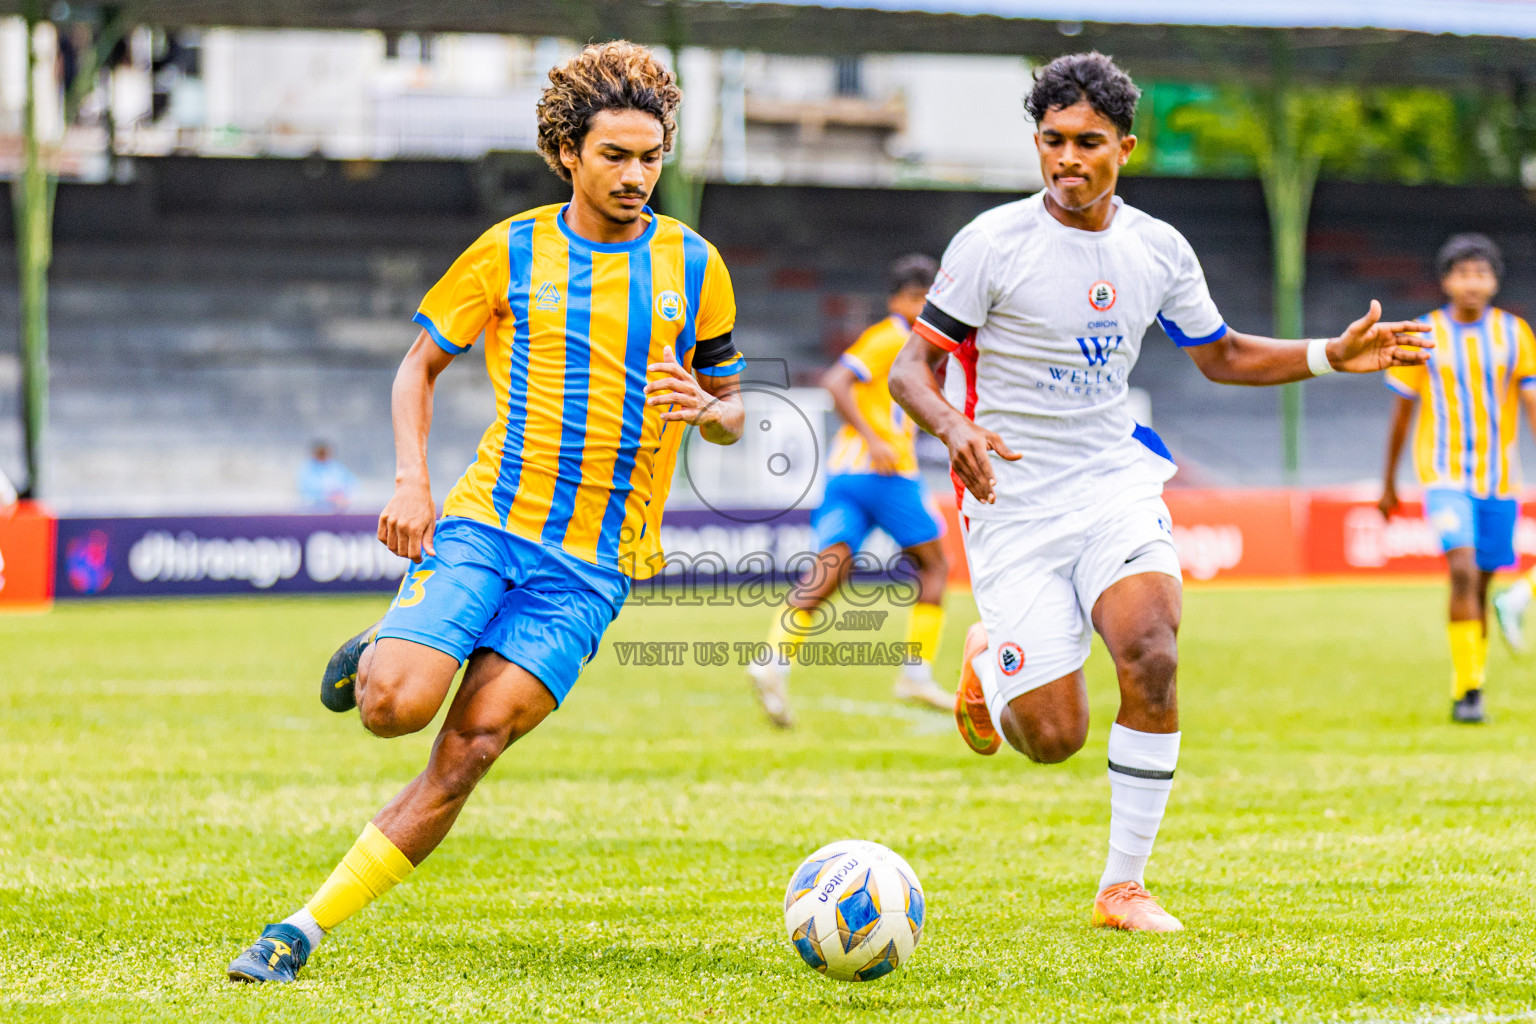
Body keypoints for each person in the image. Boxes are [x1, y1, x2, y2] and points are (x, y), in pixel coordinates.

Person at [227, 41, 746, 983]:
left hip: (593, 572)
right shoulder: (509, 251)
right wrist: (409, 481)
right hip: (489, 527)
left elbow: (732, 404)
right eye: (615, 156)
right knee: (393, 709)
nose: (637, 176)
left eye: (651, 156)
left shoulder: (694, 265)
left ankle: (300, 929)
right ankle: (383, 650)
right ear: (567, 153)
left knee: (468, 749)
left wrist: (711, 413)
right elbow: (418, 366)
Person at [888, 52, 1430, 933]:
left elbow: (1218, 355)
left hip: (1114, 483)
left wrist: (1331, 354)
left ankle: (1122, 888)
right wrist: (955, 430)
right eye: (1053, 142)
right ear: (1037, 146)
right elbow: (912, 373)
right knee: (1053, 739)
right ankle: (989, 662)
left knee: (1153, 651)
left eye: (1088, 143)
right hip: (1014, 502)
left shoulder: (1157, 248)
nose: (1069, 159)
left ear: (1126, 148)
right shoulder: (991, 244)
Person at [749, 255, 952, 727]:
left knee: (831, 570)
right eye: (926, 299)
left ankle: (772, 660)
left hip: (843, 474)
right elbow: (836, 381)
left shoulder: (897, 340)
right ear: (906, 300)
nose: (931, 308)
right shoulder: (894, 338)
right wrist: (877, 438)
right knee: (935, 565)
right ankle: (916, 674)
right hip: (885, 475)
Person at [1379, 234, 1536, 723]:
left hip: (1500, 479)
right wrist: (1388, 482)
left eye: (1482, 273)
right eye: (1463, 273)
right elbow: (1402, 414)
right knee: (1463, 569)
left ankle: (1472, 682)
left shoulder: (1516, 334)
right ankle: (1468, 694)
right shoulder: (1422, 334)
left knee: (1484, 582)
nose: (1473, 282)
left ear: (1494, 281)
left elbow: (1531, 404)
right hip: (1444, 474)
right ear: (1446, 280)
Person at [297, 441, 359, 511]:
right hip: (315, 509)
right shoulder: (307, 468)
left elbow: (352, 483)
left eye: (325, 453)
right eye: (320, 453)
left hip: (337, 509)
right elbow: (306, 490)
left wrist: (344, 496)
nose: (323, 456)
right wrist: (327, 497)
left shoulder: (335, 467)